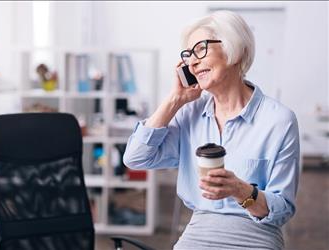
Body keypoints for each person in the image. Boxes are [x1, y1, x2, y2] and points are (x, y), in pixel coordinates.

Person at [123, 10, 300, 250]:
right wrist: (174, 100)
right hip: (198, 232)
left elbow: (282, 210)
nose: (192, 62)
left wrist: (240, 190)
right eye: (188, 55)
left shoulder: (279, 121)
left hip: (257, 237)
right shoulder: (189, 114)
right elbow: (135, 158)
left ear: (234, 50)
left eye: (200, 49)